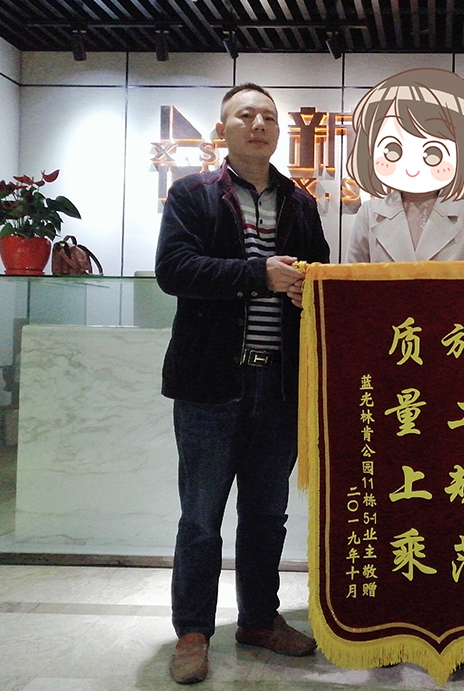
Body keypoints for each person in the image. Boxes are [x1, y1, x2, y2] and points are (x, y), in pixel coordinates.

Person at [155, 83, 330, 685]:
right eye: (246, 115)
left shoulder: (300, 203)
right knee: (201, 517)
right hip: (210, 385)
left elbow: (320, 276)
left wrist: (312, 290)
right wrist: (260, 274)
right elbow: (173, 270)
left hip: (278, 387)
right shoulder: (193, 194)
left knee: (266, 515)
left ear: (279, 132)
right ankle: (193, 631)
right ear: (222, 129)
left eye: (269, 117)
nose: (259, 124)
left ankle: (258, 619)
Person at [344, 68, 464, 262]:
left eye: (433, 153)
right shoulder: (370, 212)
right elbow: (352, 273)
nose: (412, 168)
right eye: (393, 150)